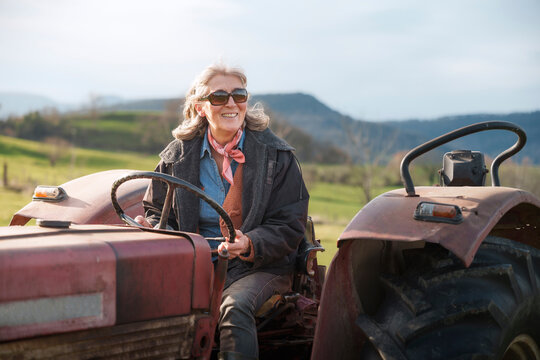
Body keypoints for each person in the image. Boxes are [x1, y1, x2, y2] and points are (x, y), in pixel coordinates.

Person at [135, 63, 309, 360]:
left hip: (261, 266)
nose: (231, 103)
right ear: (201, 107)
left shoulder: (277, 157)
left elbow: (290, 225)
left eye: (239, 95)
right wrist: (152, 226)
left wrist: (250, 243)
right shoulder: (178, 155)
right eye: (219, 97)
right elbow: (157, 210)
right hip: (198, 264)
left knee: (234, 306)